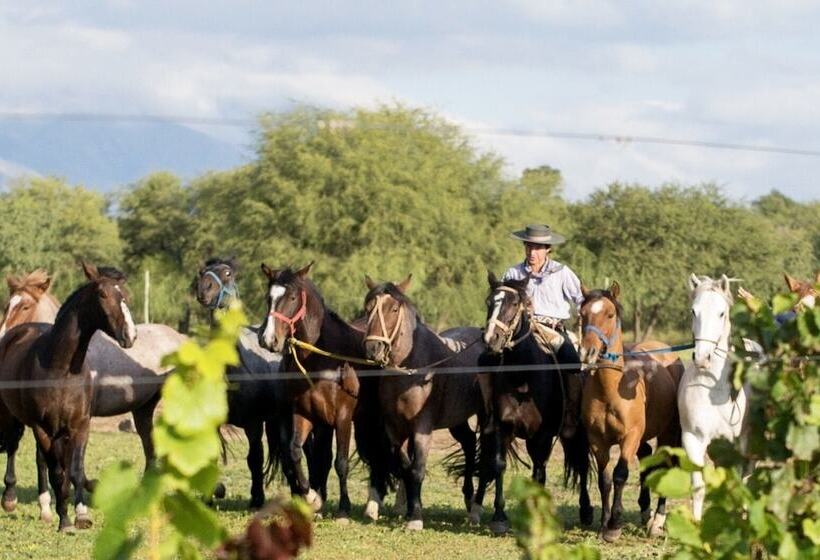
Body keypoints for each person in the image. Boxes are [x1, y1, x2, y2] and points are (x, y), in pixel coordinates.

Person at [502, 223, 584, 439]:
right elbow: (502, 301)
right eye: (529, 247)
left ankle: (571, 414)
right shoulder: (513, 272)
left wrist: (586, 314)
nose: (532, 252)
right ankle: (490, 414)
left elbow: (580, 298)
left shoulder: (562, 272)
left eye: (537, 248)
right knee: (487, 358)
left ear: (548, 248)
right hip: (519, 331)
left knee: (572, 362)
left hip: (552, 330)